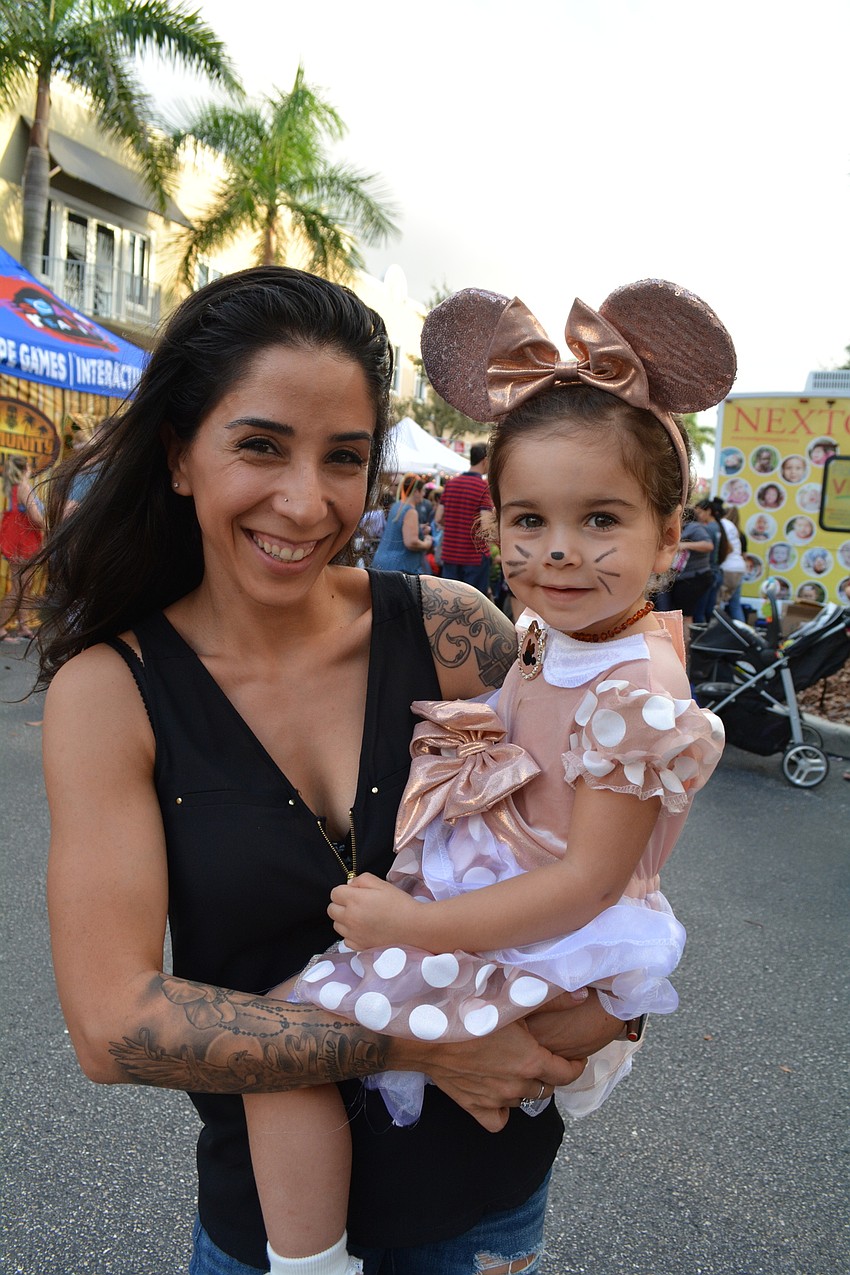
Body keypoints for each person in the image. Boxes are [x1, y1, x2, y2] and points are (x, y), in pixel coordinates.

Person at [35, 266, 620, 1275]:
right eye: (259, 446)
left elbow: (599, 820)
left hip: (488, 1201)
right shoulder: (111, 694)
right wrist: (423, 1040)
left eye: (343, 459)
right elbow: (112, 1023)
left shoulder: (455, 630)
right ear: (179, 455)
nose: (307, 504)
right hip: (275, 1234)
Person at [251, 279, 733, 1273]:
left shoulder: (631, 689)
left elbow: (587, 880)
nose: (557, 550)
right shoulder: (556, 639)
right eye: (528, 522)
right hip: (519, 914)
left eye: (600, 520)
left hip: (542, 931)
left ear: (669, 535)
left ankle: (308, 1263)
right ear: (494, 525)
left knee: (288, 1042)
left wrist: (408, 925)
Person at [439, 442, 493, 596]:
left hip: (450, 554)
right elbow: (486, 526)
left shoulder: (451, 484)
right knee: (473, 604)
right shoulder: (483, 487)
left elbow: (438, 517)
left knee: (450, 601)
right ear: (485, 460)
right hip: (474, 558)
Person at [0, 455, 44, 639]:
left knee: (24, 584)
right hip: (24, 540)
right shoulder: (24, 487)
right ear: (25, 468)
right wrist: (51, 524)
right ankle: (1, 627)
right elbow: (35, 516)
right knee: (19, 586)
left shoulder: (13, 486)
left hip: (16, 538)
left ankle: (23, 626)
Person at [370, 473, 434, 573]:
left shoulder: (397, 506)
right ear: (416, 491)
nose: (424, 494)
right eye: (423, 491)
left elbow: (398, 527)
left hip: (383, 561)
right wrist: (427, 543)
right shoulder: (410, 511)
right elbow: (411, 543)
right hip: (400, 566)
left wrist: (419, 528)